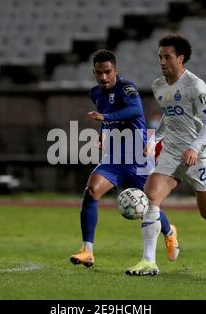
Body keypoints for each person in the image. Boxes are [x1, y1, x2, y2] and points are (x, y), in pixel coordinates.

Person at [126, 34, 206, 276]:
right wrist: (154, 139)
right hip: (171, 153)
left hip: (198, 156)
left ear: (180, 58)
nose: (162, 61)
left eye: (167, 57)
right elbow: (169, 117)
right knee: (151, 196)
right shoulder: (158, 86)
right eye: (160, 56)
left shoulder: (195, 86)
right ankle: (149, 261)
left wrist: (194, 147)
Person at [70, 50, 179, 268]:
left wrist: (106, 118)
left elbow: (134, 110)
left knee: (149, 204)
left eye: (108, 72)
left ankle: (169, 231)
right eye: (99, 73)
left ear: (116, 71)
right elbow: (107, 116)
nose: (104, 77)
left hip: (137, 156)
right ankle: (87, 250)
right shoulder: (96, 93)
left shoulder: (126, 88)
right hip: (115, 157)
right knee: (91, 191)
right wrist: (103, 132)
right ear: (94, 73)